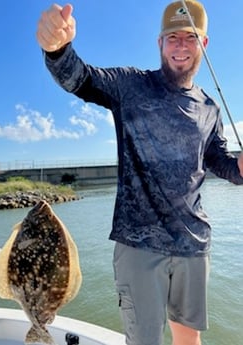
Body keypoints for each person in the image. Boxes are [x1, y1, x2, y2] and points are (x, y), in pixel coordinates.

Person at [36, 1, 243, 344]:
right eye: (172, 37)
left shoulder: (209, 107)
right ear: (159, 43)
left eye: (190, 38)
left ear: (203, 45)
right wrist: (57, 49)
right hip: (139, 244)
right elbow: (81, 79)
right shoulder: (130, 86)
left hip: (193, 244)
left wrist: (238, 168)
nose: (180, 46)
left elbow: (217, 159)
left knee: (189, 338)